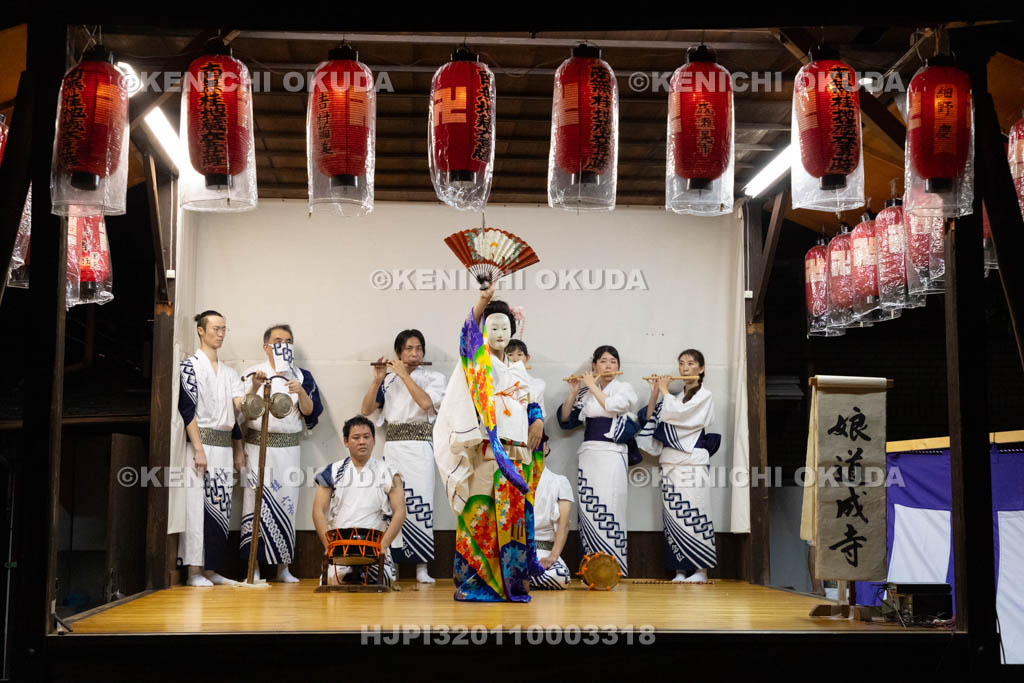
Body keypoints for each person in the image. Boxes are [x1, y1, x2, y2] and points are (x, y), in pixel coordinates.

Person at [433, 283, 546, 602]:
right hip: (486, 450)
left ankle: (511, 585)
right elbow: (466, 334)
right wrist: (482, 300)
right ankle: (476, 585)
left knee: (512, 523)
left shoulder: (516, 369)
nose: (499, 332)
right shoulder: (476, 361)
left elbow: (527, 402)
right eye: (492, 326)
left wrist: (537, 418)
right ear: (483, 330)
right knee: (480, 515)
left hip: (516, 452)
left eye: (505, 326)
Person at [239, 324, 323, 583]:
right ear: (266, 346)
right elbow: (240, 412)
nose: (283, 345)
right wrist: (254, 386)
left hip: (288, 450)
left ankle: (283, 567)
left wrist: (300, 392)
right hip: (257, 446)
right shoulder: (252, 372)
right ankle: (252, 568)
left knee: (287, 505)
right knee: (253, 505)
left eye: (288, 340)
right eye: (277, 340)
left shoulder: (302, 376)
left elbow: (311, 413)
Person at [360, 329, 445, 583]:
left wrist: (403, 375)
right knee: (391, 504)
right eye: (408, 349)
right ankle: (391, 565)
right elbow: (365, 411)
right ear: (399, 352)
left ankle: (421, 567)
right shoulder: (387, 380)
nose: (414, 353)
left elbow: (426, 404)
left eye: (418, 348)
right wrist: (377, 379)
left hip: (420, 448)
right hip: (394, 447)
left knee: (422, 504)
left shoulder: (434, 377)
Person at [637, 349, 717, 583]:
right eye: (681, 363)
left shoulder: (705, 395)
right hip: (671, 461)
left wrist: (664, 391)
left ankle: (701, 569)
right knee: (674, 515)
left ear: (701, 368)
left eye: (690, 363)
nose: (684, 368)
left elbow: (682, 416)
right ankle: (679, 569)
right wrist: (655, 393)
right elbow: (652, 419)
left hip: (692, 460)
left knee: (697, 512)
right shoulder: (675, 396)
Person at [177, 310, 245, 587]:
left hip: (224, 447)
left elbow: (238, 413)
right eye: (215, 328)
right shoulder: (189, 367)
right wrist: (198, 448)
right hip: (200, 443)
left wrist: (238, 450)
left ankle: (211, 568)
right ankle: (194, 569)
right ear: (201, 331)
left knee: (221, 506)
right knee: (196, 505)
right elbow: (187, 410)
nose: (220, 333)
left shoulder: (230, 373)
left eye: (224, 328)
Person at [558, 345, 637, 576]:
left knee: (612, 506)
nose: (609, 366)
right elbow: (565, 420)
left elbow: (615, 406)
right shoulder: (585, 392)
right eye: (603, 361)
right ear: (594, 366)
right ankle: (589, 567)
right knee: (589, 508)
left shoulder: (625, 388)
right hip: (589, 454)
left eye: (613, 361)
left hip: (613, 453)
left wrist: (591, 385)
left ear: (619, 366)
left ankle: (615, 568)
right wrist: (573, 393)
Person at [312, 416, 405, 587]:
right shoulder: (332, 471)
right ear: (346, 441)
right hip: (340, 546)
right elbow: (318, 510)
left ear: (374, 440)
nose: (362, 442)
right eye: (356, 438)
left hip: (375, 547)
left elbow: (400, 511)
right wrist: (328, 546)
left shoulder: (389, 472)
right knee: (332, 581)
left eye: (367, 437)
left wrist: (383, 546)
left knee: (381, 581)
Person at [529, 465, 574, 590]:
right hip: (516, 551)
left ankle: (519, 580)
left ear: (546, 447)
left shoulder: (559, 481)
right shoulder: (511, 475)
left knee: (561, 576)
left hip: (544, 551)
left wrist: (553, 556)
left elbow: (563, 524)